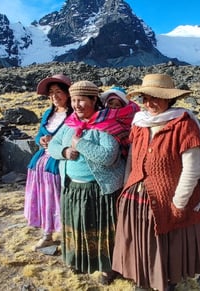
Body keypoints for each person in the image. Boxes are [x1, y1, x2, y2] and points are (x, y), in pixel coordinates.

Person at [112, 74, 200, 291]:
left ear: (169, 99)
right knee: (141, 240)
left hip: (169, 196)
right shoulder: (140, 123)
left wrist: (179, 202)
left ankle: (168, 279)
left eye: (157, 97)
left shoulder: (183, 124)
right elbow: (133, 157)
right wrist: (126, 184)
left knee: (168, 242)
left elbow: (192, 168)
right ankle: (143, 277)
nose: (150, 103)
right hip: (137, 193)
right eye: (146, 97)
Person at [47, 80, 125, 284]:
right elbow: (53, 146)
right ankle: (79, 260)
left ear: (94, 100)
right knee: (76, 226)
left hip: (98, 189)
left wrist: (80, 143)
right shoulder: (70, 123)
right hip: (73, 187)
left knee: (103, 230)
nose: (77, 105)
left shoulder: (106, 125)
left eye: (81, 100)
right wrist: (64, 151)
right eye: (73, 100)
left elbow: (108, 156)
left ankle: (109, 267)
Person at [24, 74, 73, 250]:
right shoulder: (48, 114)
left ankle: (67, 235)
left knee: (58, 199)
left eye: (58, 92)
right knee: (45, 198)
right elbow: (38, 135)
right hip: (40, 164)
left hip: (58, 164)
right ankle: (47, 233)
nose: (54, 96)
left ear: (68, 93)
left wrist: (56, 143)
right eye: (51, 93)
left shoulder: (73, 114)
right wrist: (42, 140)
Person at [97, 86, 139, 157]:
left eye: (117, 105)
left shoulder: (127, 120)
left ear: (122, 107)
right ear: (106, 104)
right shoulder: (100, 116)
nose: (113, 106)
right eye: (110, 103)